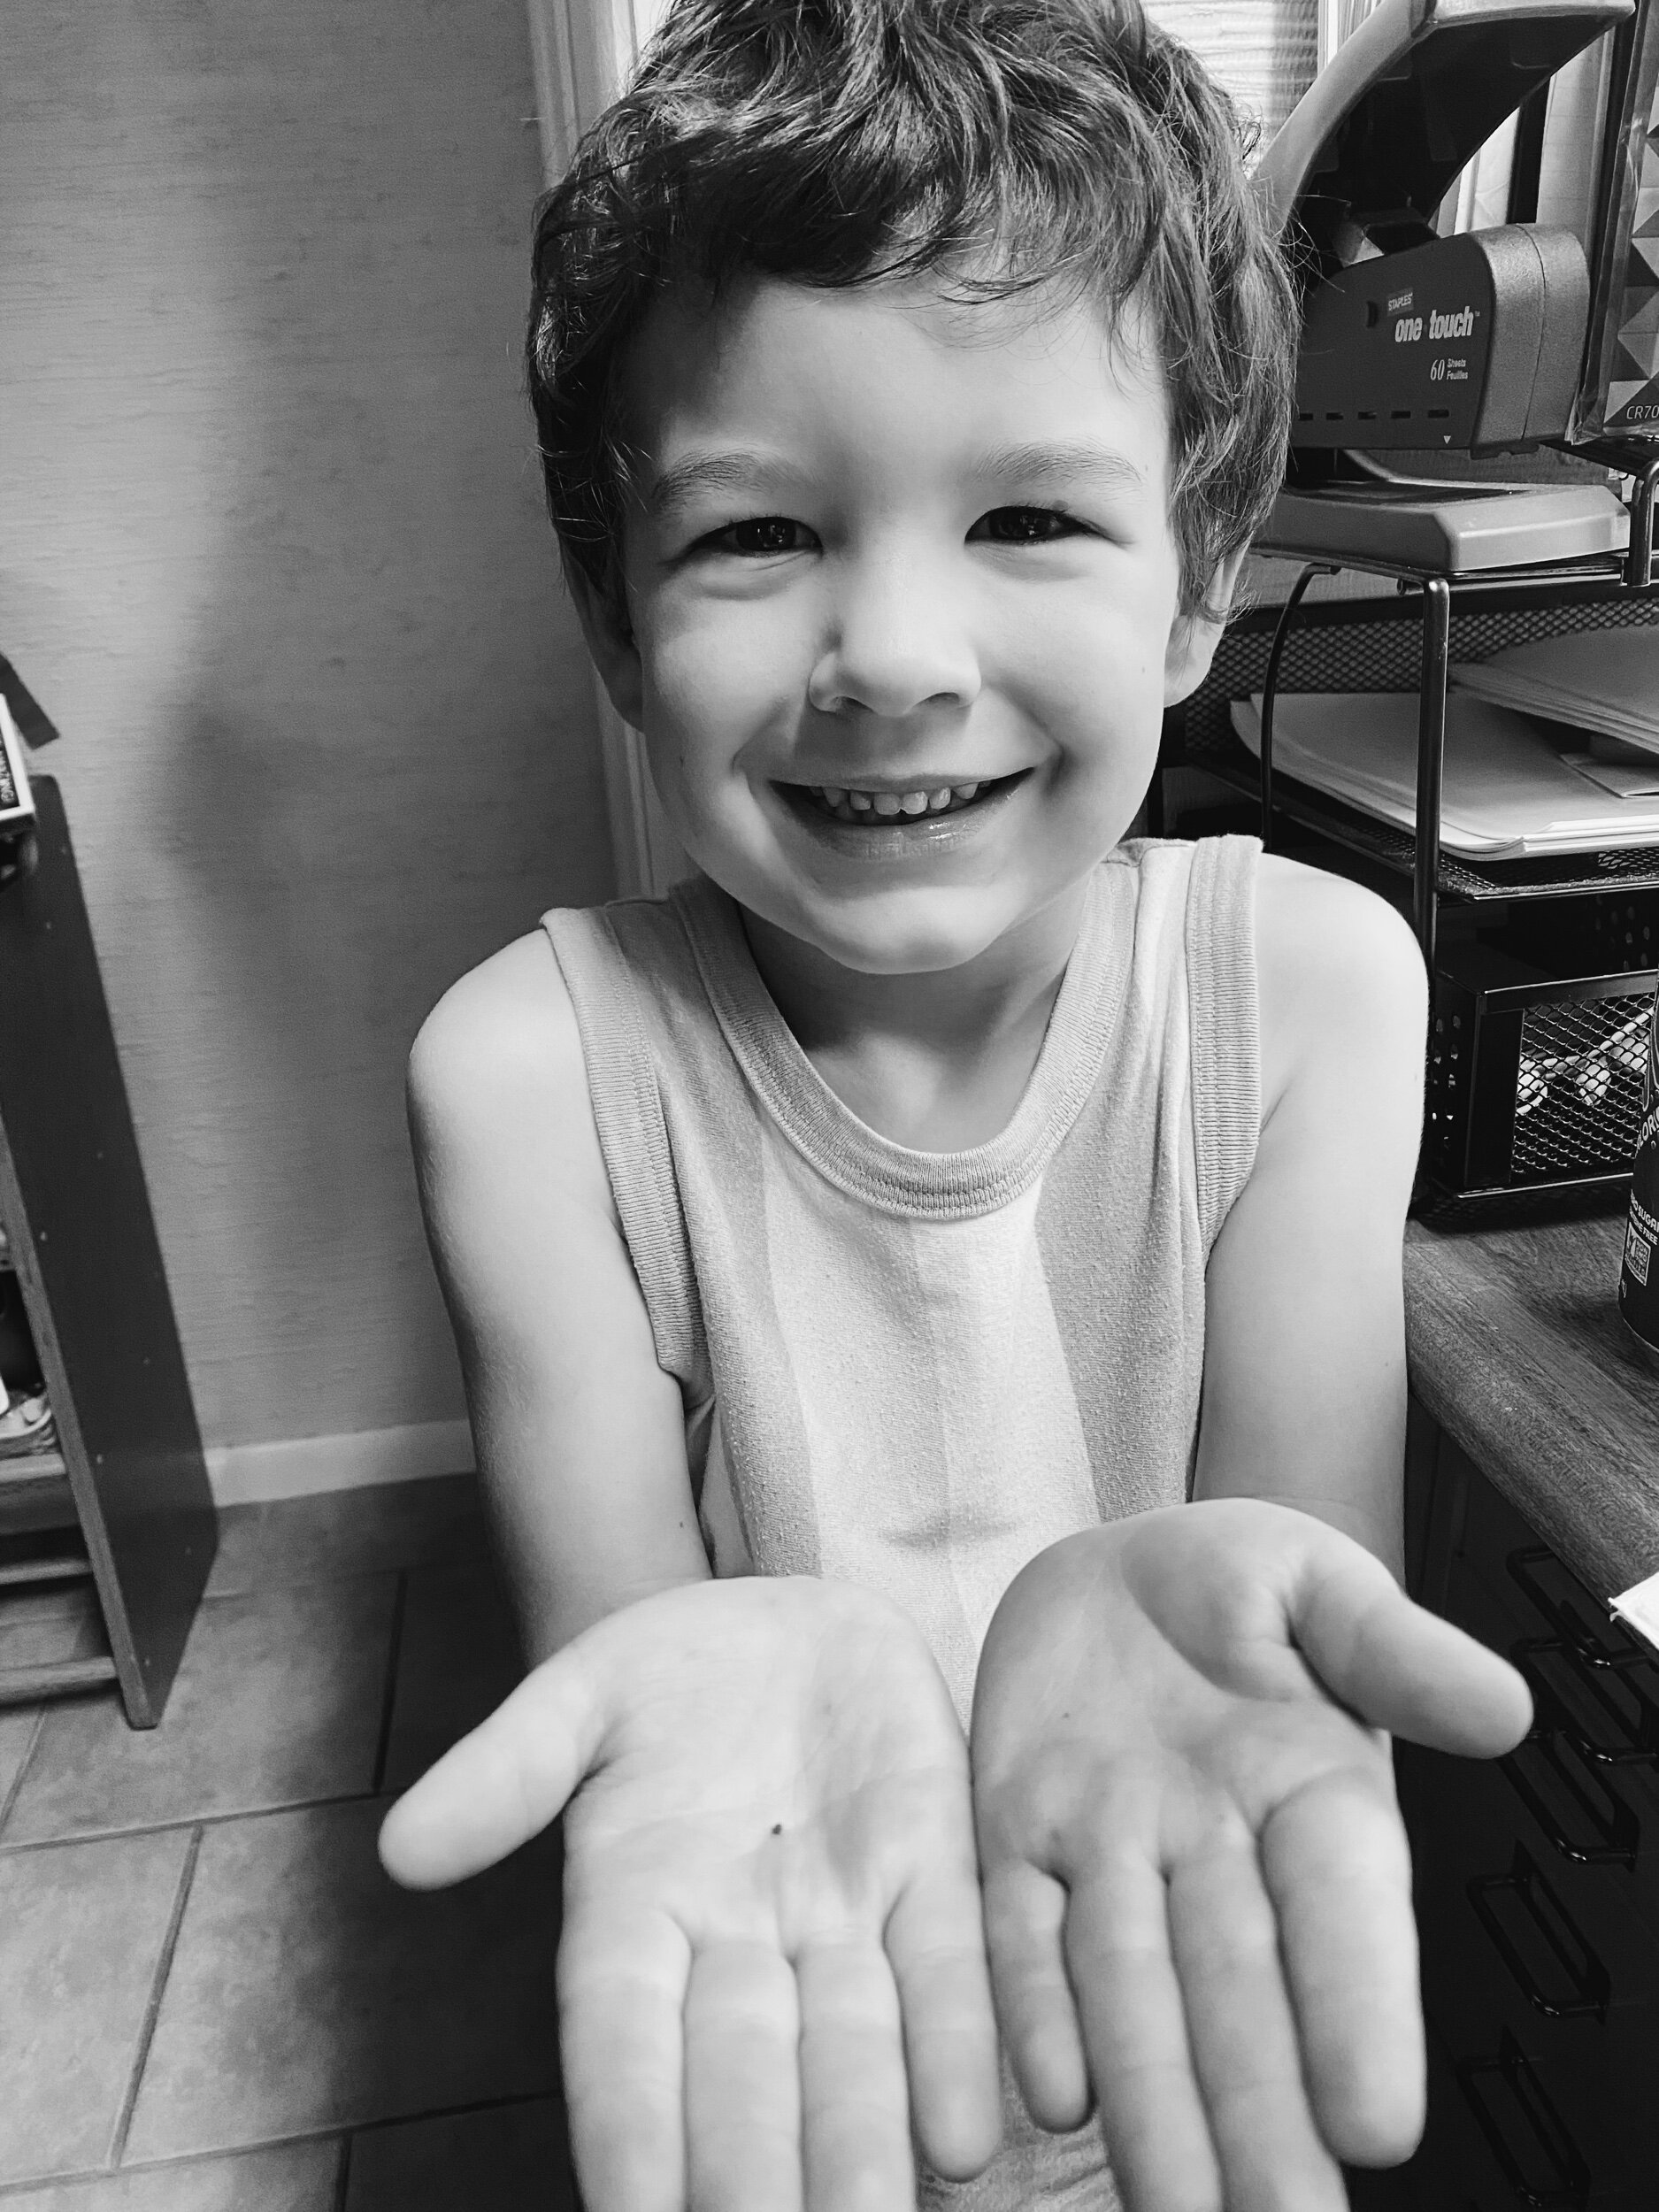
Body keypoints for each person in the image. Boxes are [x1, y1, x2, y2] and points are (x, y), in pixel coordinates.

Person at [378, 0, 1533, 2204]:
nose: (894, 653)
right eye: (752, 534)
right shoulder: (532, 1078)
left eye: (1023, 513)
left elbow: (1283, 1599)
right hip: (787, 2016)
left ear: (1200, 574)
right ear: (614, 620)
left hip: (1162, 1996)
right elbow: (642, 1693)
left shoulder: (1304, 995)